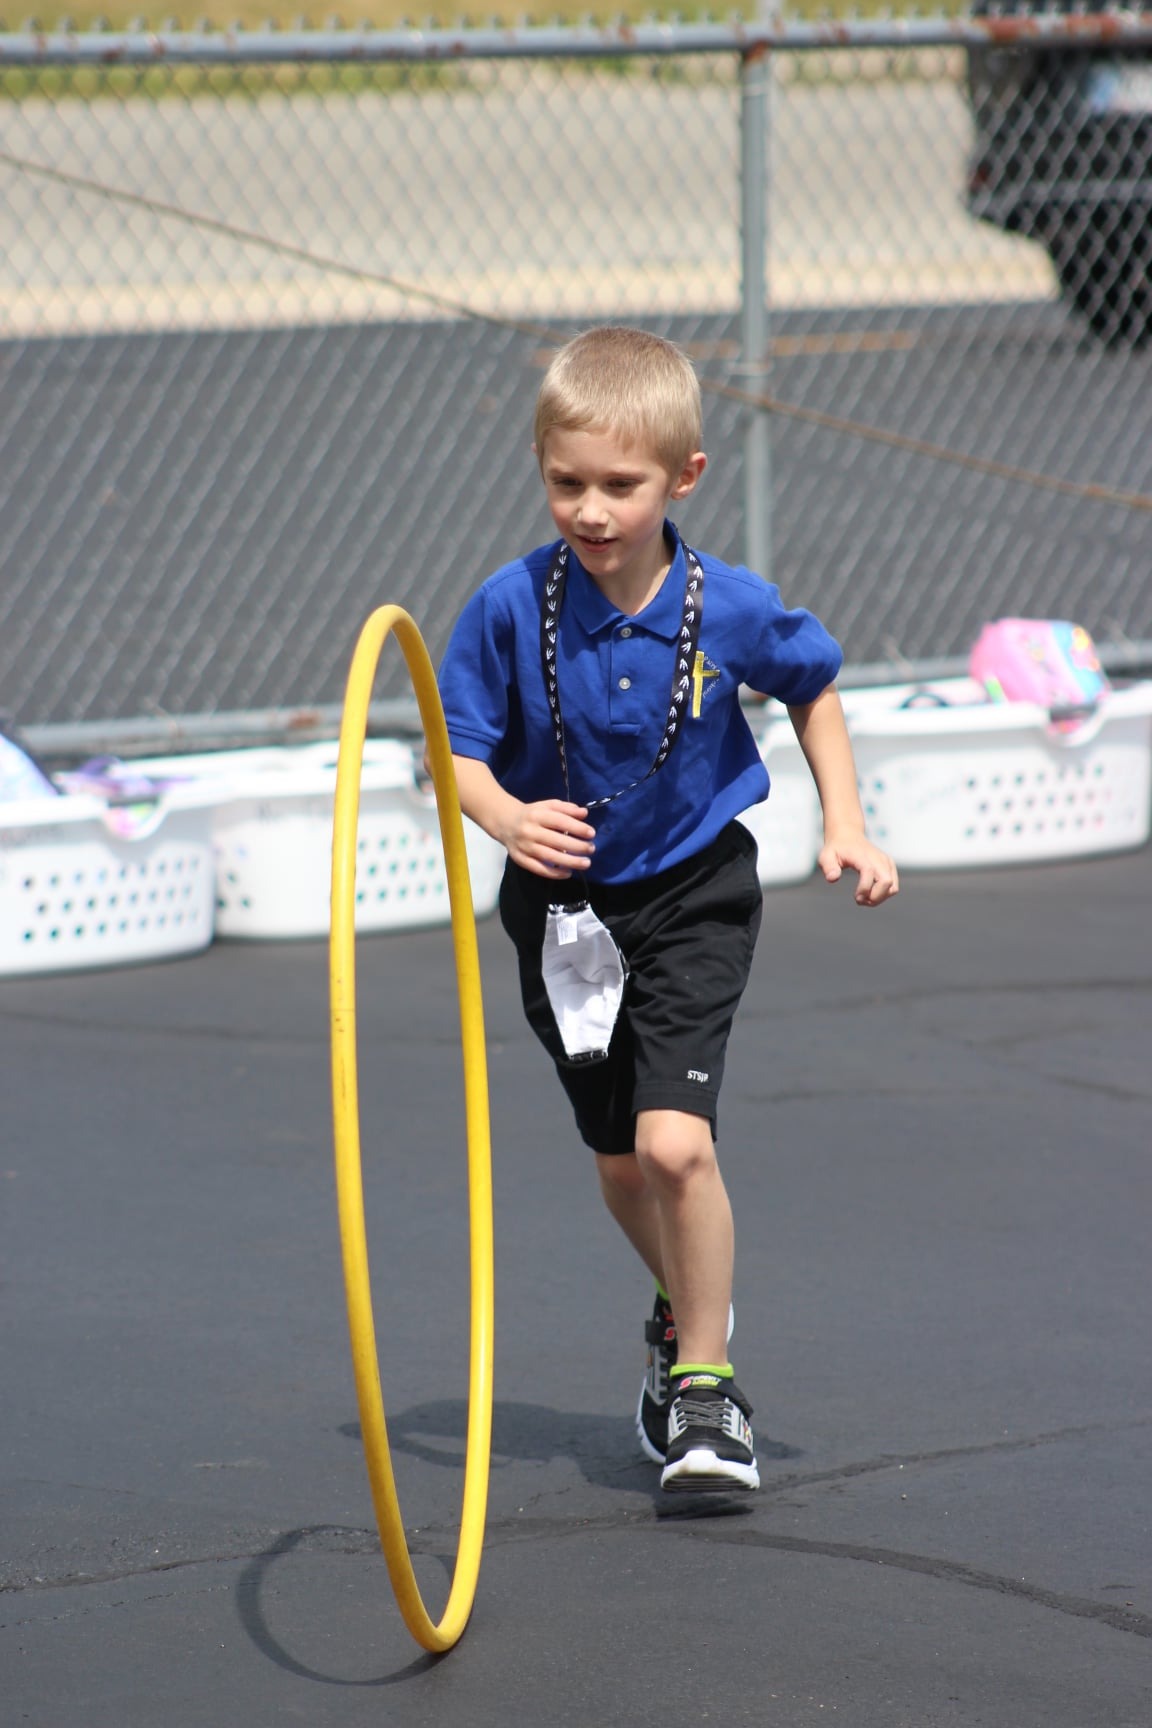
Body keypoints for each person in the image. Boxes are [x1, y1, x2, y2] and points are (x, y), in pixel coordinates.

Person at [437, 325, 898, 1493]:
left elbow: (816, 686)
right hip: (563, 912)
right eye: (566, 483)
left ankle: (704, 1386)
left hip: (693, 891)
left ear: (683, 478)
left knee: (674, 1144)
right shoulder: (509, 607)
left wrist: (845, 820)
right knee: (618, 1168)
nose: (591, 511)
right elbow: (457, 753)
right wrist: (501, 817)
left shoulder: (725, 604)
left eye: (620, 486)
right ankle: (687, 1296)